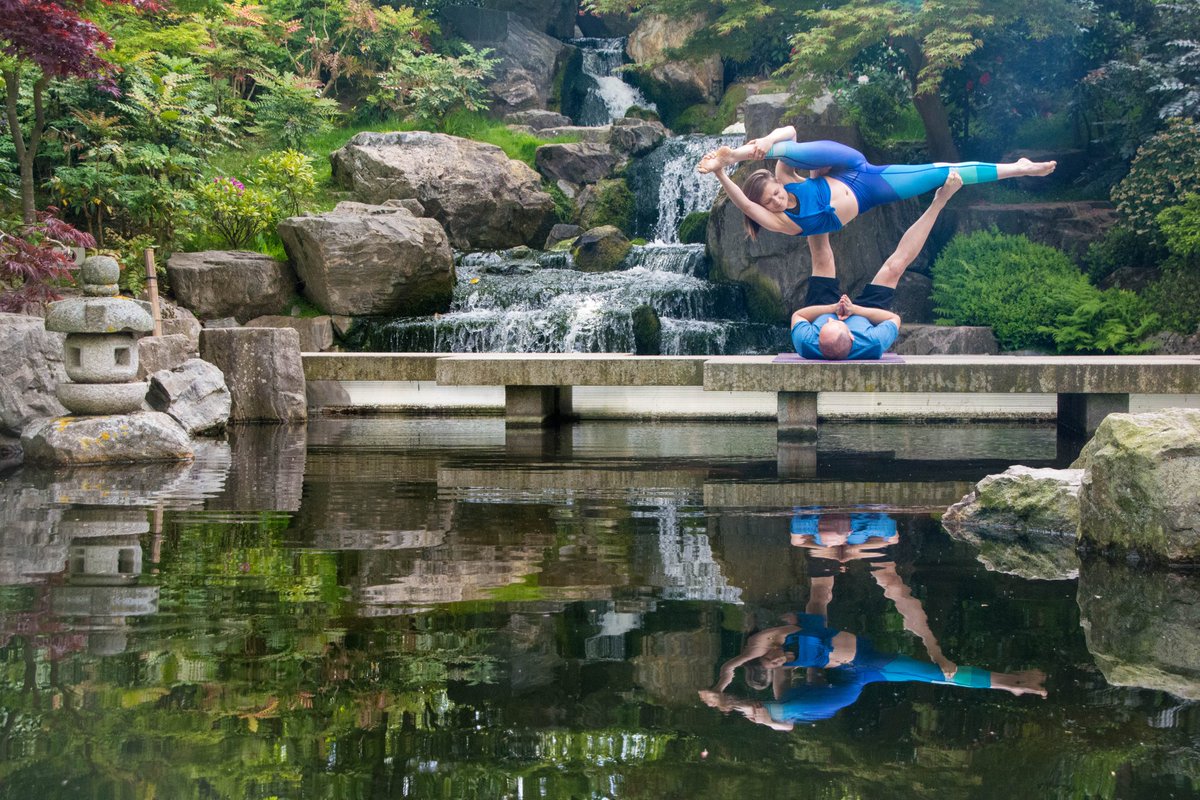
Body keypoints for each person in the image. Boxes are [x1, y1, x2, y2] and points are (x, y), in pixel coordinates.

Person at [697, 126, 1055, 240]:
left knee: (783, 150)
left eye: (774, 193)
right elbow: (744, 204)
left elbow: (790, 132)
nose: (776, 199)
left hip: (849, 165)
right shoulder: (779, 222)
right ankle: (1018, 169)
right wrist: (719, 175)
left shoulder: (784, 178)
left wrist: (766, 141)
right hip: (870, 188)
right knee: (944, 171)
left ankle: (739, 153)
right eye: (770, 200)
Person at [790, 168, 962, 360]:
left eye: (825, 324)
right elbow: (894, 319)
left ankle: (817, 182)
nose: (832, 319)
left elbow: (798, 316)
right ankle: (940, 201)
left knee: (822, 257)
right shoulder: (872, 343)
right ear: (851, 335)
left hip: (823, 307)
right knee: (895, 267)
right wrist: (856, 311)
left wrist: (831, 309)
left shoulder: (807, 343)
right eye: (835, 322)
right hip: (866, 316)